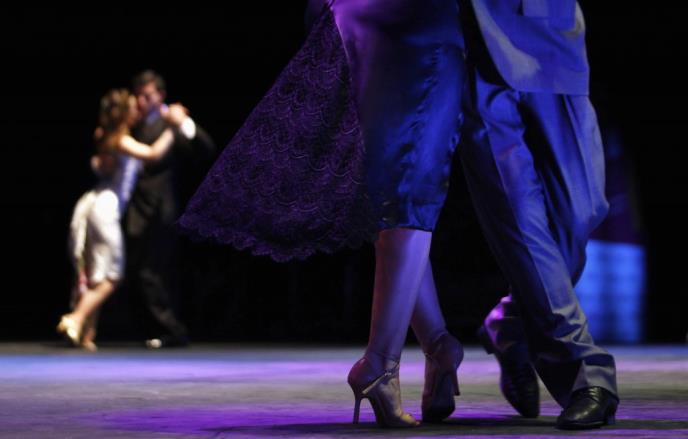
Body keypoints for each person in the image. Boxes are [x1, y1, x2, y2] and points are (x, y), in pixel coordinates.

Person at [178, 0, 466, 428]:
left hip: (356, 16)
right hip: (420, 20)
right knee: (413, 188)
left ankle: (438, 345)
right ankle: (380, 364)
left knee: (390, 190)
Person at [457, 0, 619, 429]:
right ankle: (587, 374)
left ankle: (511, 324)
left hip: (554, 34)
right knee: (520, 221)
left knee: (581, 211)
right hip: (476, 43)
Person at [59, 88, 185, 350]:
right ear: (125, 113)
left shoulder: (106, 136)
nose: (137, 110)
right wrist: (173, 128)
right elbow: (153, 154)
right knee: (113, 275)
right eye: (133, 107)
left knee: (97, 271)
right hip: (105, 207)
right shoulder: (122, 140)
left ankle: (86, 333)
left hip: (93, 202)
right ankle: (76, 317)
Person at [124, 70, 216, 349]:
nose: (142, 101)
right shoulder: (135, 123)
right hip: (137, 209)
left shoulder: (170, 122)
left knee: (155, 271)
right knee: (141, 272)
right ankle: (157, 328)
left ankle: (172, 330)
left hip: (161, 209)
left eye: (148, 96)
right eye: (139, 96)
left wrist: (182, 123)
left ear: (160, 96)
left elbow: (205, 148)